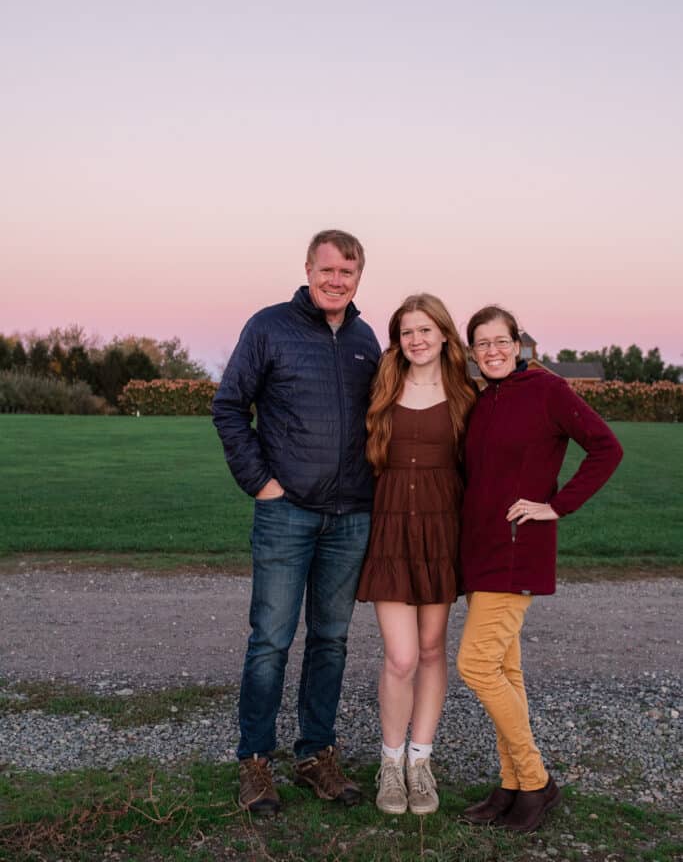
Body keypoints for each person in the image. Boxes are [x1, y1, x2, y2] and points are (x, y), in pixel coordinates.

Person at [212, 229, 381, 814]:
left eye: (348, 273)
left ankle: (316, 755)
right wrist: (262, 484)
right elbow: (229, 406)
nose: (337, 281)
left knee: (331, 641)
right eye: (328, 269)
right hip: (286, 513)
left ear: (359, 277)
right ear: (309, 268)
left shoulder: (365, 339)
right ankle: (255, 762)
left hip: (350, 517)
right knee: (271, 643)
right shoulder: (269, 326)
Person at [457, 305, 623, 835]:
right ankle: (510, 785)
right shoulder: (481, 403)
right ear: (472, 352)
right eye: (482, 344)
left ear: (519, 344)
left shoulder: (548, 392)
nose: (493, 351)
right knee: (506, 672)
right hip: (479, 553)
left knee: (476, 666)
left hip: (517, 549)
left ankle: (535, 781)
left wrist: (557, 504)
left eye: (501, 341)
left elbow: (606, 448)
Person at [356, 294, 477, 815]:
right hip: (390, 534)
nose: (417, 339)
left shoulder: (465, 395)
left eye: (426, 330)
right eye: (407, 331)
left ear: (445, 335)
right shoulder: (381, 387)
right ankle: (390, 763)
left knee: (431, 651)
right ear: (397, 339)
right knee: (401, 657)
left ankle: (420, 764)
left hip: (441, 534)